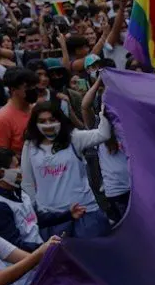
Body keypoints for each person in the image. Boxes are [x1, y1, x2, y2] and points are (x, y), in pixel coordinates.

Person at [20, 101, 113, 239]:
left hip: (84, 213)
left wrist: (105, 108)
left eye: (52, 119)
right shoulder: (30, 145)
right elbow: (27, 182)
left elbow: (103, 134)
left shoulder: (74, 138)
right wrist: (35, 211)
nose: (48, 125)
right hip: (52, 218)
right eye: (42, 121)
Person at [0, 148, 83, 252]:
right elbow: (12, 247)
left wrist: (68, 215)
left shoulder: (17, 191)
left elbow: (33, 219)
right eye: (16, 166)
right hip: (25, 258)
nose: (20, 169)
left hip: (37, 253)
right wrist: (46, 248)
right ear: (1, 173)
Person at [0, 68, 40, 154]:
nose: (33, 89)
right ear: (13, 90)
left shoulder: (37, 109)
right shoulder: (2, 119)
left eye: (34, 86)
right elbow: (0, 154)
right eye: (28, 87)